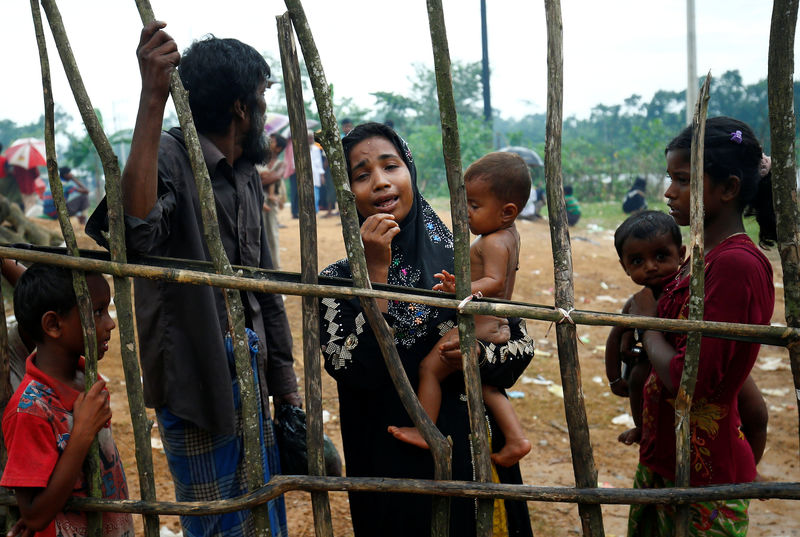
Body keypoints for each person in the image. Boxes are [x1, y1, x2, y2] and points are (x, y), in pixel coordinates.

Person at [86, 22, 298, 537]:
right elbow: (133, 233)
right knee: (213, 523)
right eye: (262, 95)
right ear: (241, 107)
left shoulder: (245, 173)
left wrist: (286, 390)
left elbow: (263, 288)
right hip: (195, 374)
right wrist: (152, 99)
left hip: (251, 371)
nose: (266, 109)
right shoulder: (169, 157)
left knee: (260, 516)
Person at [319, 122, 534, 536]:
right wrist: (376, 271)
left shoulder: (460, 262)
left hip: (473, 456)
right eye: (362, 175)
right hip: (392, 466)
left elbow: (516, 344)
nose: (380, 182)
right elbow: (350, 368)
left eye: (390, 166)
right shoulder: (337, 280)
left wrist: (479, 356)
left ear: (410, 174)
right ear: (347, 193)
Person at [626, 117, 775, 536]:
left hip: (704, 478)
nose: (669, 192)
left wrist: (646, 326)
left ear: (728, 188)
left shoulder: (736, 266)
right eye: (670, 178)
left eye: (683, 180)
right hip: (668, 461)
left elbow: (690, 380)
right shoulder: (702, 255)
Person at [388, 151, 532, 468]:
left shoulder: (492, 241)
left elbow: (494, 281)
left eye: (475, 206)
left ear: (507, 211)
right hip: (496, 325)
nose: (466, 212)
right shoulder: (509, 235)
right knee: (486, 384)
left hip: (480, 325)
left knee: (429, 368)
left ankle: (425, 429)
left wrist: (460, 289)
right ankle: (517, 438)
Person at [0, 264, 133, 537]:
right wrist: (81, 433)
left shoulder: (86, 379)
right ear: (53, 324)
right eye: (97, 312)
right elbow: (34, 515)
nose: (110, 323)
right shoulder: (31, 410)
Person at [258, 133, 288, 269]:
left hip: (270, 202)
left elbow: (275, 177)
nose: (269, 142)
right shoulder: (259, 160)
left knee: (271, 234)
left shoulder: (281, 164)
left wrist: (258, 180)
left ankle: (275, 268)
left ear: (278, 148)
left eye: (273, 141)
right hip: (258, 199)